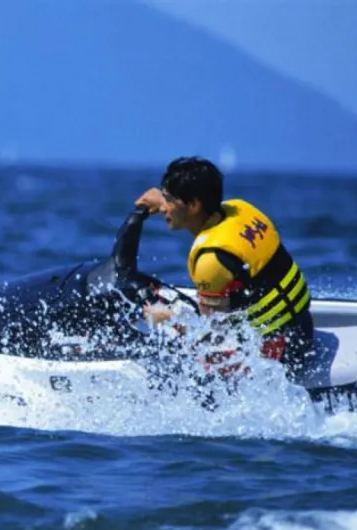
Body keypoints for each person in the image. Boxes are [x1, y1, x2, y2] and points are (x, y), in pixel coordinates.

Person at [133, 156, 315, 379]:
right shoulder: (239, 209)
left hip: (280, 354)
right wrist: (164, 197)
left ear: (194, 204)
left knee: (171, 368)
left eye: (169, 200)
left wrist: (169, 319)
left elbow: (213, 336)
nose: (163, 208)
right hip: (302, 325)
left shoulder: (211, 261)